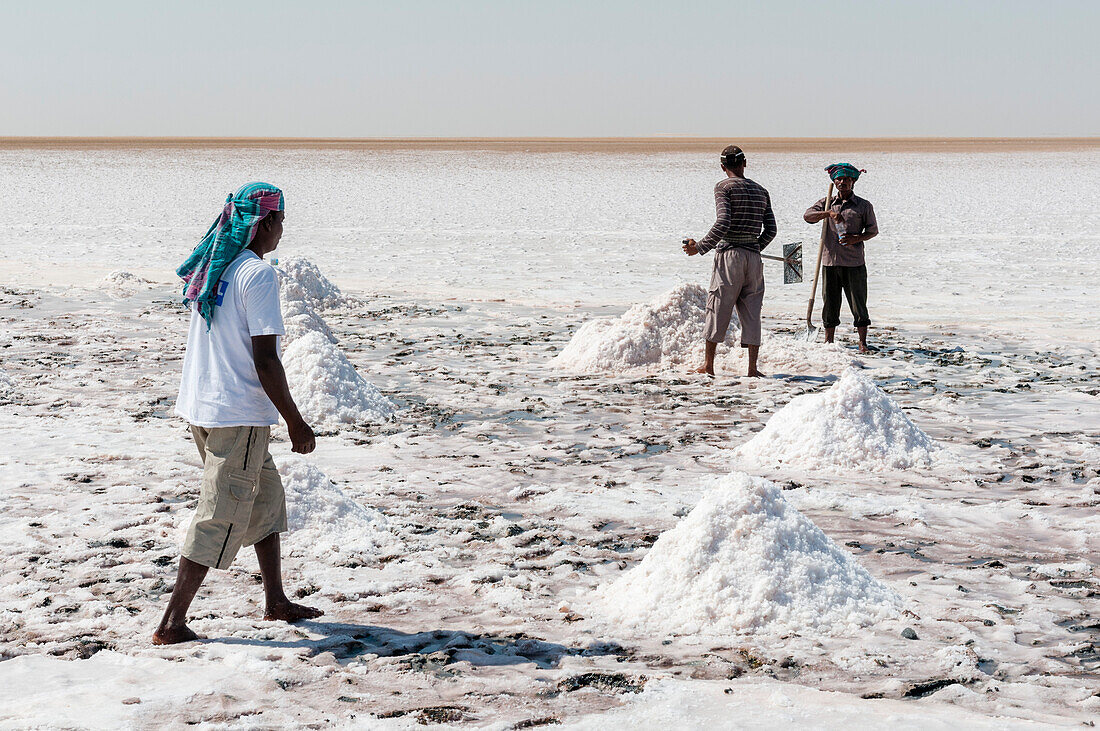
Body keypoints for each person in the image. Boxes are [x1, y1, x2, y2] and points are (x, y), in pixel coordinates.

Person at [154, 182, 322, 645]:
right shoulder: (257, 275)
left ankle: (275, 601)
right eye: (281, 220)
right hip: (237, 415)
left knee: (264, 500)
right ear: (264, 222)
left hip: (202, 408)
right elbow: (265, 358)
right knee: (220, 513)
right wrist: (295, 421)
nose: (283, 230)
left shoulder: (217, 266)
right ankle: (172, 624)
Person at [682, 145, 777, 377]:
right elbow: (771, 230)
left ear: (723, 167)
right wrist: (753, 247)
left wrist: (700, 247)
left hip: (730, 257)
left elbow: (723, 222)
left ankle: (709, 366)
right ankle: (752, 369)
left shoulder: (723, 187)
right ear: (744, 163)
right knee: (753, 311)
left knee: (718, 307)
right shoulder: (761, 191)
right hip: (754, 259)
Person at [803, 163, 879, 352]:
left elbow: (873, 230)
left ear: (853, 181)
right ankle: (828, 341)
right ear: (834, 181)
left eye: (847, 179)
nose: (843, 182)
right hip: (830, 262)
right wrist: (827, 213)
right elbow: (807, 216)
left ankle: (862, 342)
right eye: (839, 179)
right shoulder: (827, 202)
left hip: (854, 263)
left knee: (858, 303)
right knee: (830, 302)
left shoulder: (863, 206)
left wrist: (857, 238)